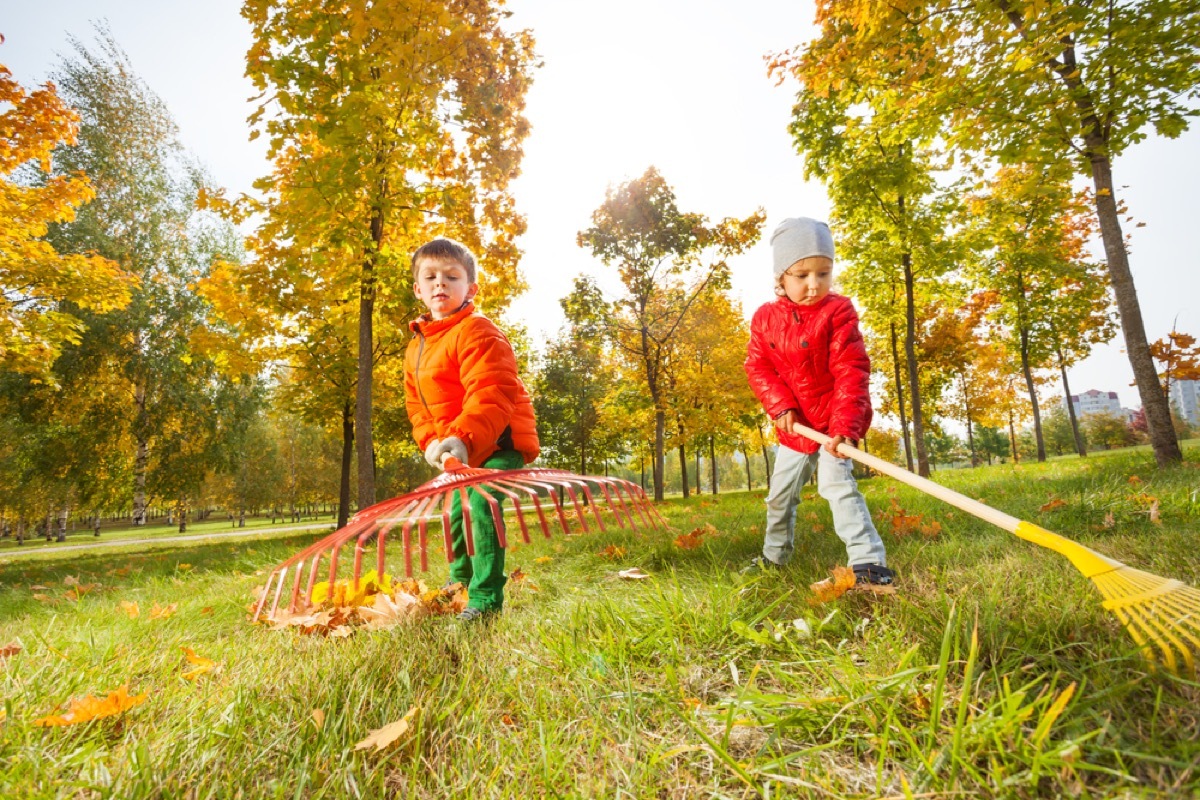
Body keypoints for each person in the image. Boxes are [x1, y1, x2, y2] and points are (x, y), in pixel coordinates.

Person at [742, 217, 894, 587]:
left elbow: (851, 370)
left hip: (832, 423)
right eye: (801, 275)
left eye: (823, 273)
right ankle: (774, 558)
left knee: (837, 487)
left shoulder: (838, 312)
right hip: (795, 427)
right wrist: (780, 407)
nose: (814, 285)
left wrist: (844, 428)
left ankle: (869, 565)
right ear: (781, 276)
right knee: (780, 497)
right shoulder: (764, 318)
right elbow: (758, 366)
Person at [404, 237, 540, 622]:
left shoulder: (479, 331)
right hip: (457, 448)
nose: (440, 284)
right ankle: (458, 585)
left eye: (452, 276)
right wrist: (432, 442)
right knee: (454, 510)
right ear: (418, 289)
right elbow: (419, 407)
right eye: (430, 277)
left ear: (471, 288)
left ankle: (484, 600)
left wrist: (462, 438)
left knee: (480, 503)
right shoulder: (417, 348)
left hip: (498, 440)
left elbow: (491, 393)